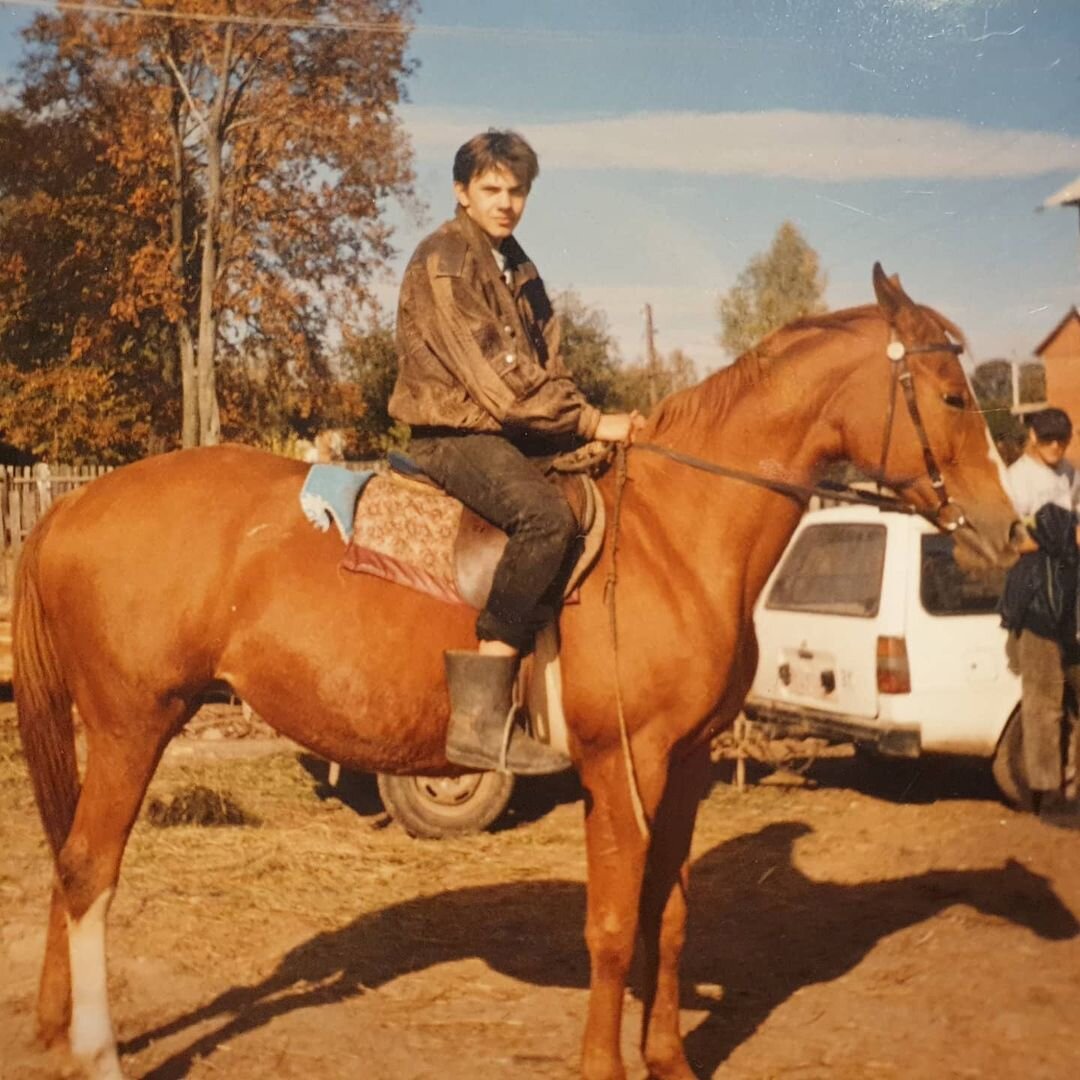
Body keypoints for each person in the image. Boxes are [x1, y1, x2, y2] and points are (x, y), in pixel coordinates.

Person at [389, 129, 643, 773]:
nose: (506, 202)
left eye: (517, 190)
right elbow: (498, 381)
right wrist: (589, 422)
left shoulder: (517, 265)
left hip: (510, 431)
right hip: (455, 433)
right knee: (545, 518)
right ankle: (480, 716)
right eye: (492, 189)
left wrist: (580, 424)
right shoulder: (445, 260)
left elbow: (547, 361)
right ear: (462, 192)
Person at [1001, 407, 1080, 828]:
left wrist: (1058, 534)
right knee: (1044, 700)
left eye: (1061, 440)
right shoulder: (1016, 478)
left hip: (1067, 593)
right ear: (1032, 435)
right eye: (1048, 438)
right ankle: (1046, 795)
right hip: (1035, 599)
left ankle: (1069, 785)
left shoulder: (1068, 473)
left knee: (1067, 695)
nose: (1055, 447)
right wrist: (1063, 534)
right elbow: (1013, 538)